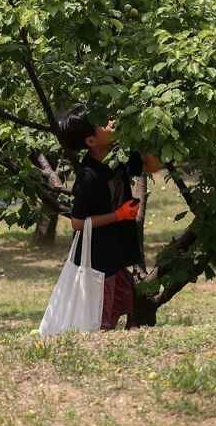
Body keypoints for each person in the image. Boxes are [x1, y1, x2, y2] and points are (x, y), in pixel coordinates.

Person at [58, 104, 162, 331]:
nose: (110, 122)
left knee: (116, 306)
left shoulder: (119, 156)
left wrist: (140, 137)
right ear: (91, 141)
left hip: (116, 254)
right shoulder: (88, 175)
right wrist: (119, 214)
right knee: (99, 312)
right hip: (98, 260)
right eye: (101, 123)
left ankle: (106, 340)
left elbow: (153, 166)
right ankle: (99, 345)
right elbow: (77, 223)